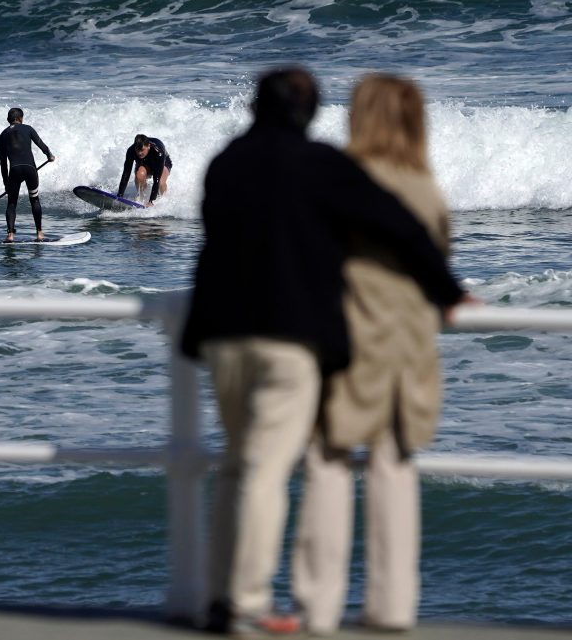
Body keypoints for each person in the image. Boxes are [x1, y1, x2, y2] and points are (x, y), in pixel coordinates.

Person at [180, 67, 464, 635]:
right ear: (309, 114)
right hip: (288, 338)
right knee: (265, 469)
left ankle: (219, 595)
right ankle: (247, 604)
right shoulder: (319, 165)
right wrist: (448, 290)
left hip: (221, 333)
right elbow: (401, 226)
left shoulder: (224, 162)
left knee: (237, 466)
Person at [291, 75, 453, 634]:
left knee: (329, 464)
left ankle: (319, 605)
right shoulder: (424, 188)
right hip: (408, 347)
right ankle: (392, 606)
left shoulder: (340, 182)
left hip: (347, 338)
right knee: (393, 469)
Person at [0, 107, 54, 242]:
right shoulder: (28, 128)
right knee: (34, 199)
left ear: (8, 120)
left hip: (14, 170)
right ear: (20, 119)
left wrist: (6, 183)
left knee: (11, 203)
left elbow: (3, 163)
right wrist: (49, 155)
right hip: (30, 169)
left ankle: (10, 235)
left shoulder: (3, 135)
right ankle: (39, 233)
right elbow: (42, 145)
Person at [118, 134, 171, 206]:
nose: (139, 153)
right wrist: (119, 196)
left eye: (142, 150)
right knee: (139, 175)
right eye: (137, 150)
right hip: (145, 163)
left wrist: (151, 201)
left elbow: (156, 179)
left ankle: (163, 202)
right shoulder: (131, 151)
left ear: (148, 146)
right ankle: (142, 198)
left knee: (161, 182)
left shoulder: (158, 152)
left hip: (163, 163)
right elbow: (126, 174)